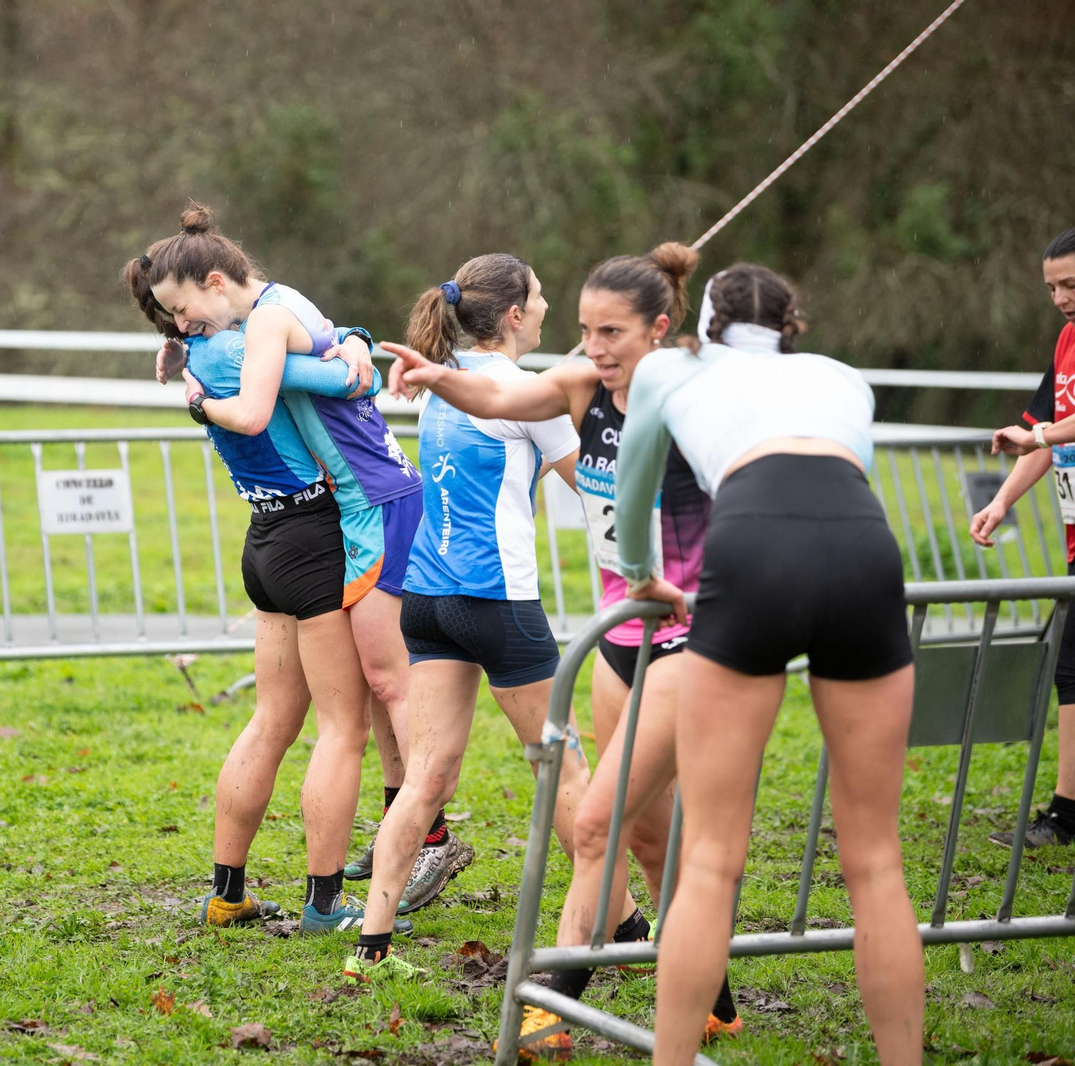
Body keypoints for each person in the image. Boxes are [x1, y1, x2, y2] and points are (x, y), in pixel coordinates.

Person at [391, 245, 739, 1055]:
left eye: (613, 331)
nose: (595, 346)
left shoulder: (689, 399)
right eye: (585, 328)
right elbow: (497, 392)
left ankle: (558, 997)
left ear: (660, 328)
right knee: (645, 833)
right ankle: (716, 991)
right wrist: (436, 375)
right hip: (617, 639)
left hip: (688, 638)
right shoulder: (583, 385)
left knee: (595, 820)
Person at [613, 263, 922, 1064]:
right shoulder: (840, 376)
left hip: (752, 547)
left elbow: (634, 492)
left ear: (700, 323)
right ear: (792, 324)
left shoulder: (669, 370)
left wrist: (646, 574)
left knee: (712, 858)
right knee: (877, 861)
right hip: (861, 542)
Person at [142, 202, 471, 920]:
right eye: (171, 320)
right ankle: (343, 893)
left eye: (185, 312)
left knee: (285, 718)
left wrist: (348, 340)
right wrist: (349, 349)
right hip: (322, 531)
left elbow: (334, 368)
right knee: (349, 721)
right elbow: (345, 381)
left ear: (218, 280)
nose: (183, 327)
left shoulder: (228, 339)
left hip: (272, 540)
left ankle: (231, 895)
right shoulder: (235, 339)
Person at [344, 253, 639, 996]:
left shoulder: (451, 381)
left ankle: (370, 946)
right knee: (565, 769)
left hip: (429, 604)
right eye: (540, 297)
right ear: (514, 315)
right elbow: (592, 482)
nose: (545, 308)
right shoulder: (517, 391)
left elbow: (494, 469)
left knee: (425, 780)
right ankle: (626, 925)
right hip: (497, 603)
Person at [970, 224, 1075, 849]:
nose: (1062, 298)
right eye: (1052, 287)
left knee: (1074, 666)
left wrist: (1039, 437)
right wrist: (1001, 501)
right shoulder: (1068, 339)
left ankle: (1069, 815)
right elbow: (1044, 428)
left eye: (1072, 284)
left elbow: (1044, 434)